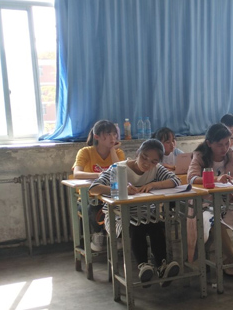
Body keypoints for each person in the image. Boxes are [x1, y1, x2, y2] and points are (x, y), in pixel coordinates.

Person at [89, 139, 182, 287]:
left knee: (156, 225)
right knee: (136, 226)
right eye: (144, 157)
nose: (147, 164)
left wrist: (153, 184)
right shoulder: (119, 168)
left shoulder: (156, 169)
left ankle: (162, 266)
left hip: (146, 215)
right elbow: (94, 188)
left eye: (153, 161)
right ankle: (143, 266)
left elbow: (175, 181)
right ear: (137, 153)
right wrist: (120, 189)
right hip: (119, 217)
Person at [186, 123, 233, 278]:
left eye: (227, 143)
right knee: (216, 223)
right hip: (205, 205)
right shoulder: (200, 156)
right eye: (219, 145)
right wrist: (215, 178)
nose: (224, 148)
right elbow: (192, 178)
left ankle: (229, 260)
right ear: (209, 143)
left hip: (228, 202)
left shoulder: (230, 155)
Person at [72, 120, 127, 252]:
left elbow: (120, 172)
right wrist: (99, 175)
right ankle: (98, 235)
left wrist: (112, 150)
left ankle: (118, 236)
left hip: (111, 195)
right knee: (95, 208)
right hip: (90, 197)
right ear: (96, 136)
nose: (112, 138)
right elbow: (77, 173)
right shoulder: (86, 152)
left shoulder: (118, 153)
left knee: (123, 206)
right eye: (108, 134)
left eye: (114, 134)